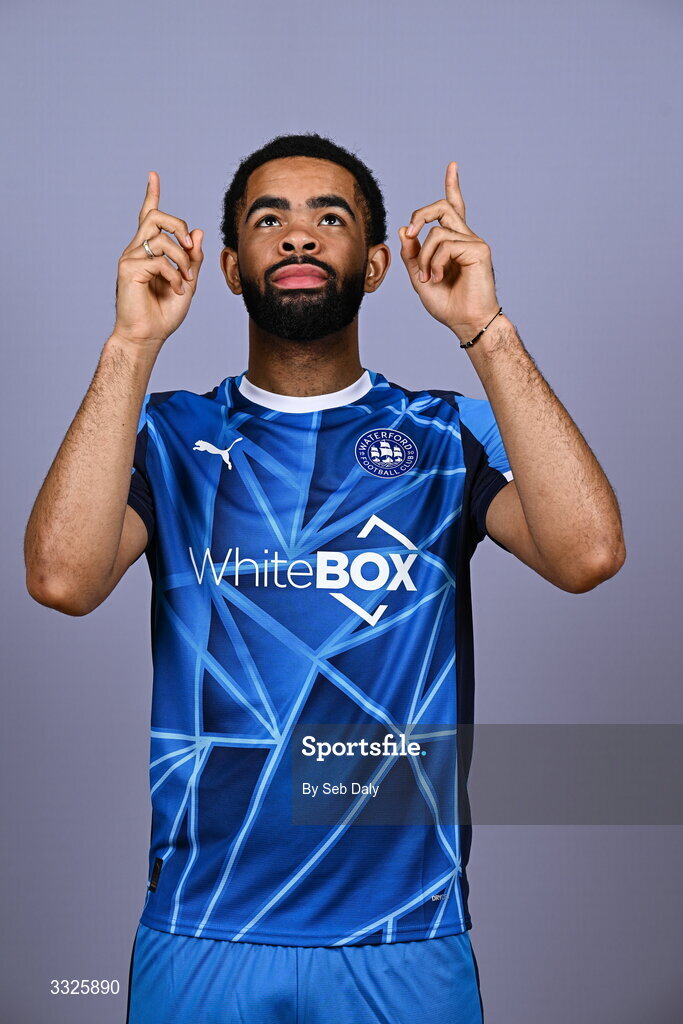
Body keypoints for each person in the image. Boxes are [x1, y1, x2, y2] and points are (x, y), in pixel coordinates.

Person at [23, 132, 626, 1024]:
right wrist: (130, 343)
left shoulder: (444, 434)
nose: (298, 237)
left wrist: (484, 331)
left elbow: (587, 556)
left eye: (329, 218)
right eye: (269, 220)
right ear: (228, 267)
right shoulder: (161, 434)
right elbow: (62, 578)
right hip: (202, 929)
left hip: (403, 937)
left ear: (378, 263)